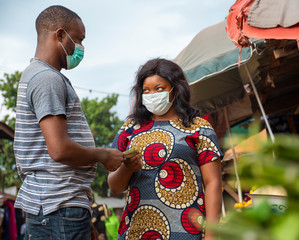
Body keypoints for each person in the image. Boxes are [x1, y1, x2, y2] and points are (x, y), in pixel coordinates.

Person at [13, 5, 127, 239]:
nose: (81, 48)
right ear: (61, 35)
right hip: (58, 206)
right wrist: (104, 155)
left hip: (60, 206)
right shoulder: (47, 79)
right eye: (79, 39)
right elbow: (59, 149)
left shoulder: (40, 75)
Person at [108, 58, 223, 240]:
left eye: (159, 88)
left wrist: (211, 235)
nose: (152, 94)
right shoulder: (129, 129)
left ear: (175, 90)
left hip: (187, 232)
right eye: (146, 90)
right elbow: (114, 187)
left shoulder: (200, 128)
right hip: (137, 231)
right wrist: (127, 167)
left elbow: (213, 183)